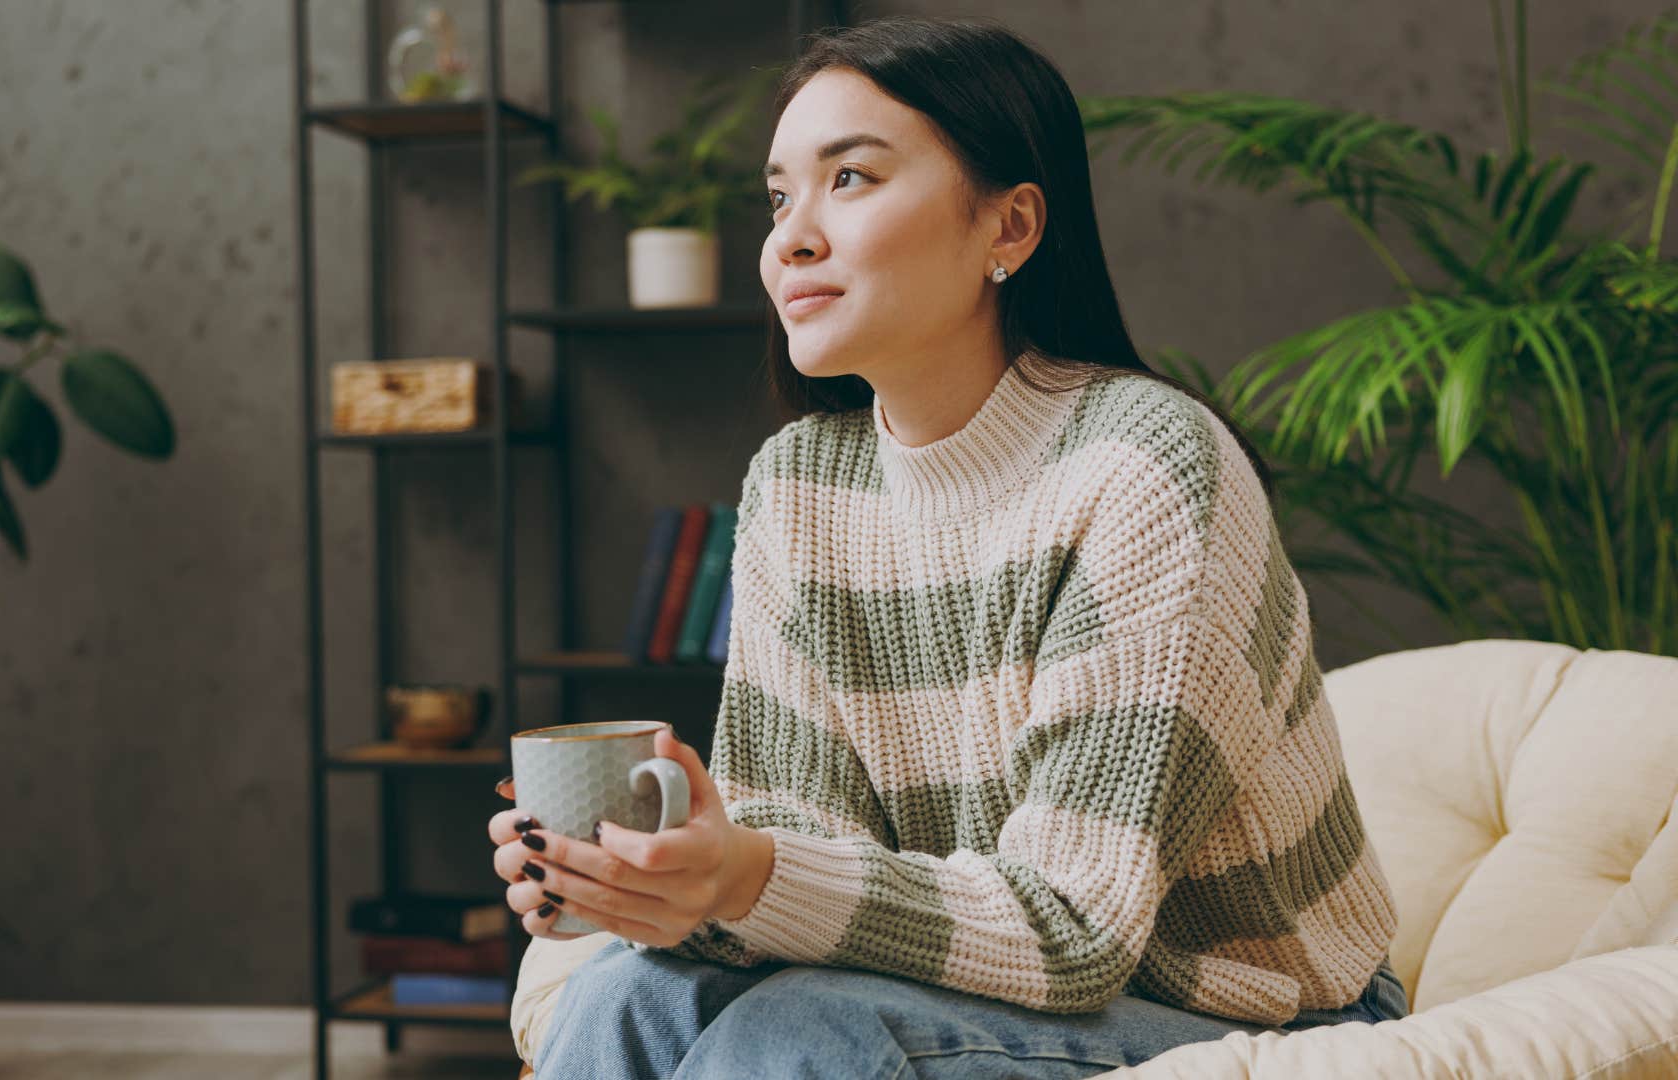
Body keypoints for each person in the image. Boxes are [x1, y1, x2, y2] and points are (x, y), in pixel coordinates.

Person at [487, 14, 1405, 1078]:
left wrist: (741, 878)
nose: (791, 237)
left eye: (854, 180)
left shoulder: (1145, 469)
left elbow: (1076, 928)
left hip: (1263, 1019)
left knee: (796, 1035)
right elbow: (800, 838)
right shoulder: (798, 489)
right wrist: (666, 886)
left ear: (1008, 228)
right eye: (780, 196)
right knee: (624, 996)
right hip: (966, 988)